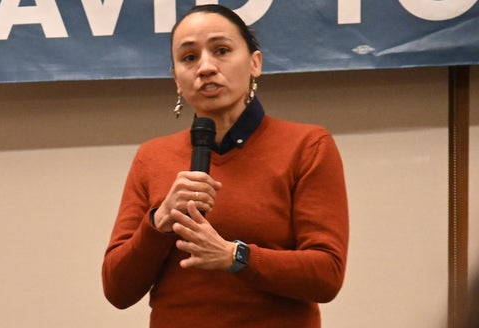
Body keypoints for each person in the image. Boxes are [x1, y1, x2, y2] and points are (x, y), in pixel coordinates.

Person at [101, 4, 349, 327]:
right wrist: (159, 221)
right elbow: (117, 289)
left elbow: (326, 274)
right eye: (189, 58)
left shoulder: (307, 146)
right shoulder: (152, 157)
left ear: (255, 63)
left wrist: (236, 257)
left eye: (221, 50)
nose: (205, 67)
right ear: (177, 79)